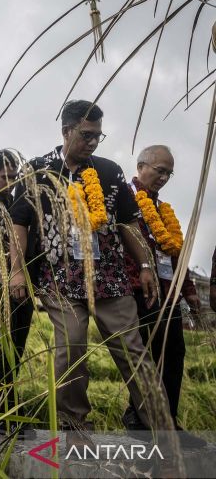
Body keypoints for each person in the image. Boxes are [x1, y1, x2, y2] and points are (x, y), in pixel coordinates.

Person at [8, 100, 170, 438]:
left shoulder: (110, 172)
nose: (93, 142)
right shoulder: (38, 169)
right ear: (66, 131)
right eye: (86, 135)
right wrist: (17, 270)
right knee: (72, 349)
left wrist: (144, 264)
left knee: (134, 351)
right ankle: (73, 427)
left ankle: (163, 430)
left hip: (109, 277)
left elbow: (127, 223)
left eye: (98, 136)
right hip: (60, 278)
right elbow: (19, 224)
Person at [121, 145, 206, 446]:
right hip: (138, 293)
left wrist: (190, 291)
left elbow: (175, 256)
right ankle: (139, 418)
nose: (165, 177)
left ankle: (168, 421)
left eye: (169, 173)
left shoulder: (162, 210)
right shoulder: (125, 201)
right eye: (160, 171)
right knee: (148, 358)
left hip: (168, 296)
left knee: (174, 355)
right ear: (141, 166)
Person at [0, 149, 36, 438]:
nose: (11, 179)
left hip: (24, 282)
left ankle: (2, 405)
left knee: (16, 346)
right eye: (4, 175)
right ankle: (5, 410)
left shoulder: (24, 200)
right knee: (3, 347)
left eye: (14, 175)